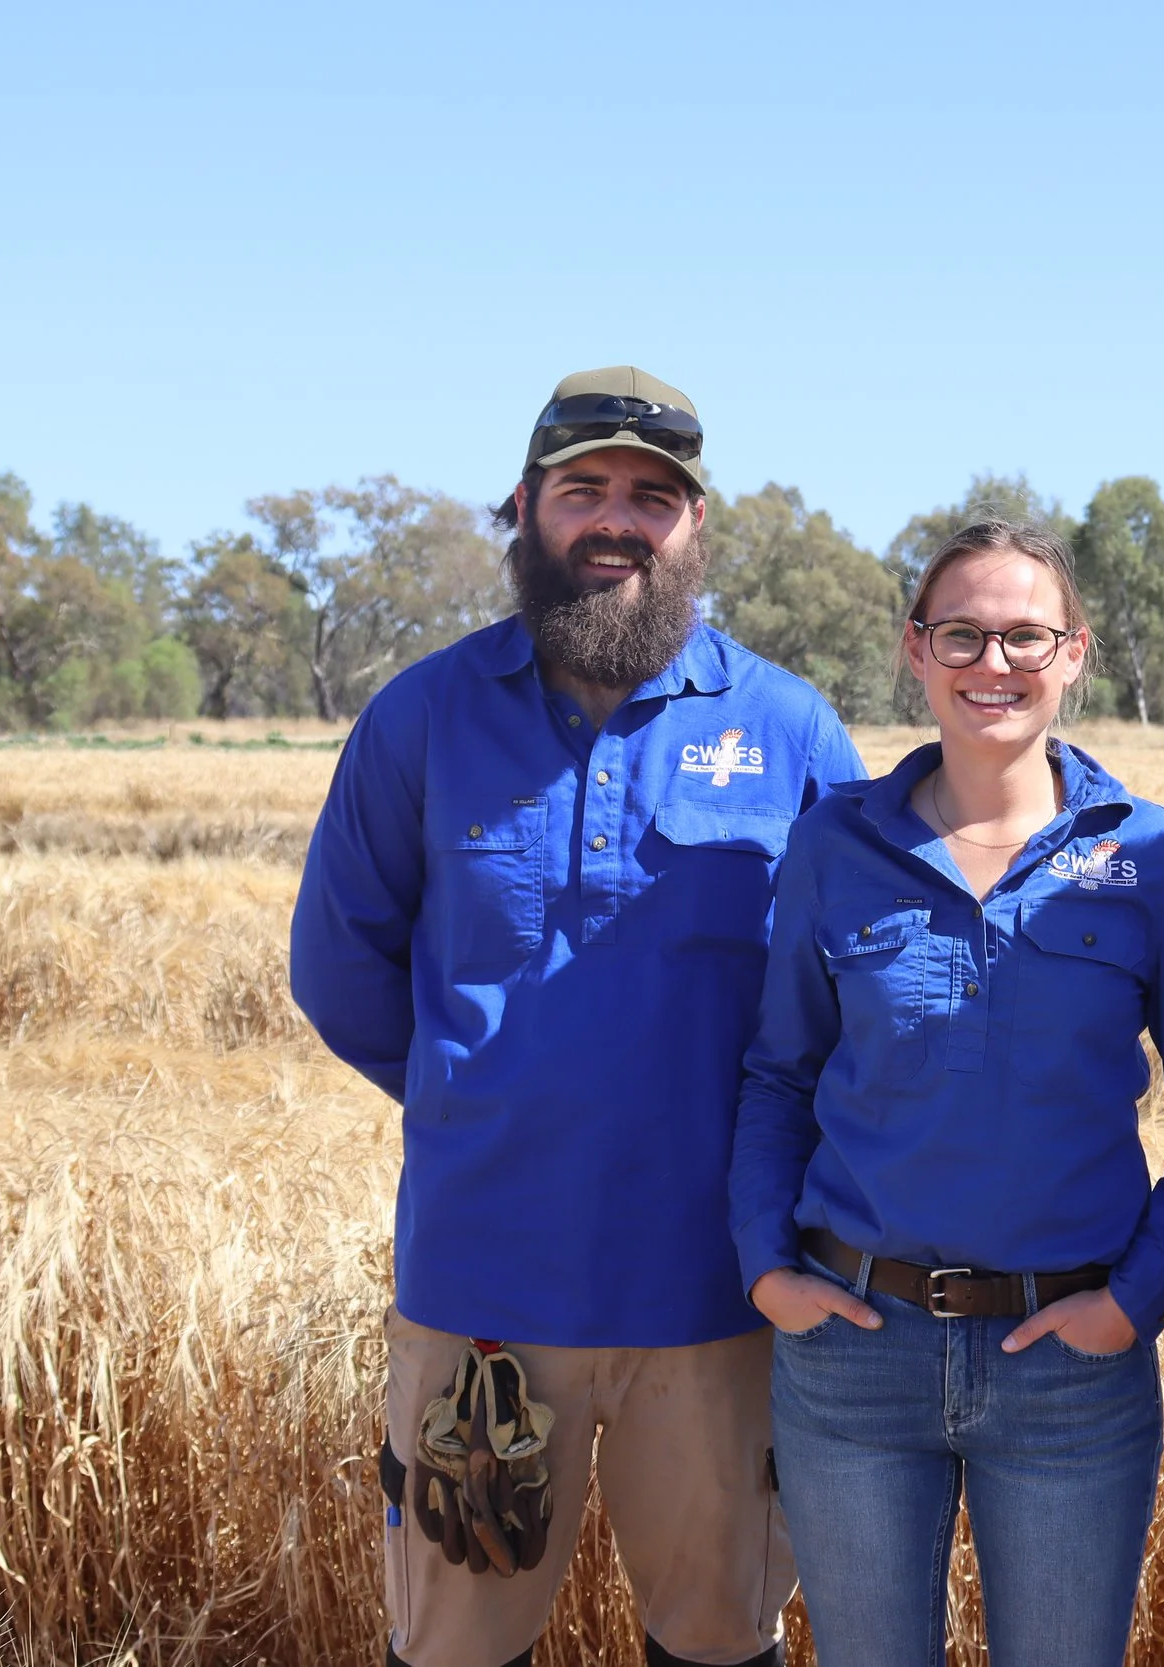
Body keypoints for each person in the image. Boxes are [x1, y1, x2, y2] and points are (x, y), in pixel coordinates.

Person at [291, 367, 865, 1667]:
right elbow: (339, 968)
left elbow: (851, 988)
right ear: (524, 504)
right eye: (584, 488)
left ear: (697, 523)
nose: (616, 519)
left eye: (652, 496)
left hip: (720, 1292)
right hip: (482, 1293)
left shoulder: (788, 729)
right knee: (454, 1643)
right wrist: (481, 1095)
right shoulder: (422, 717)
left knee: (721, 1637)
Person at [729, 517, 1164, 1667]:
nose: (994, 662)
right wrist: (767, 1267)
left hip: (1070, 1367)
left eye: (1025, 635)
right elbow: (780, 1074)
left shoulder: (1153, 858)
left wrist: (1136, 1300)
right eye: (962, 634)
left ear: (1073, 653)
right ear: (915, 649)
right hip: (852, 1356)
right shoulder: (834, 845)